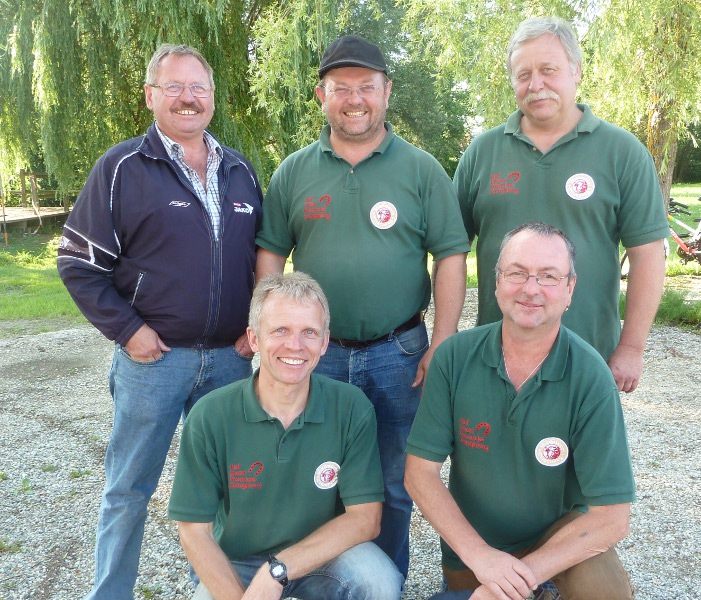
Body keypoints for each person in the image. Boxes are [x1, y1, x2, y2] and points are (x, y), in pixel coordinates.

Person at [256, 34, 470, 579]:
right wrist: (272, 332)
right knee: (314, 475)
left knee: (396, 482)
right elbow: (271, 254)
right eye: (341, 88)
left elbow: (451, 255)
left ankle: (384, 584)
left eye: (367, 88)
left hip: (399, 352)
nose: (355, 100)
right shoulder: (294, 172)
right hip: (315, 355)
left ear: (386, 92)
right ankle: (315, 581)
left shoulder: (421, 170)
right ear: (321, 96)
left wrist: (444, 339)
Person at [56, 44, 264, 599]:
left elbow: (262, 258)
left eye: (198, 87)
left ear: (213, 98)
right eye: (173, 87)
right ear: (151, 96)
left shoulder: (240, 170)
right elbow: (77, 263)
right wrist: (128, 330)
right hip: (154, 362)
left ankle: (213, 591)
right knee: (129, 488)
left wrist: (257, 326)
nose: (187, 98)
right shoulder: (122, 167)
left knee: (225, 489)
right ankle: (111, 592)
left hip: (230, 361)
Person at [405, 222, 636, 600]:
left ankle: (544, 589)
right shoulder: (454, 357)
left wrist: (522, 577)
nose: (531, 288)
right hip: (476, 550)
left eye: (549, 276)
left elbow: (612, 518)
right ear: (496, 282)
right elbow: (419, 474)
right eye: (517, 273)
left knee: (605, 591)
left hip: (556, 543)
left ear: (570, 289)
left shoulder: (591, 376)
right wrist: (482, 558)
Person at [454, 16, 669, 393]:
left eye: (548, 70)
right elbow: (451, 252)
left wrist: (632, 347)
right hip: (495, 358)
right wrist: (447, 337)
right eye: (523, 75)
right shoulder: (482, 153)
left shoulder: (622, 152)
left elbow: (648, 254)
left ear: (576, 71)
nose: (535, 84)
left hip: (589, 357)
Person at [168, 272, 403, 600]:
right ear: (254, 339)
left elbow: (365, 518)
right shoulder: (210, 415)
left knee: (380, 581)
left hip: (323, 554)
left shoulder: (351, 407)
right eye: (280, 330)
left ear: (324, 342)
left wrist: (277, 570)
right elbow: (194, 531)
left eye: (309, 332)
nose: (295, 345)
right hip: (238, 560)